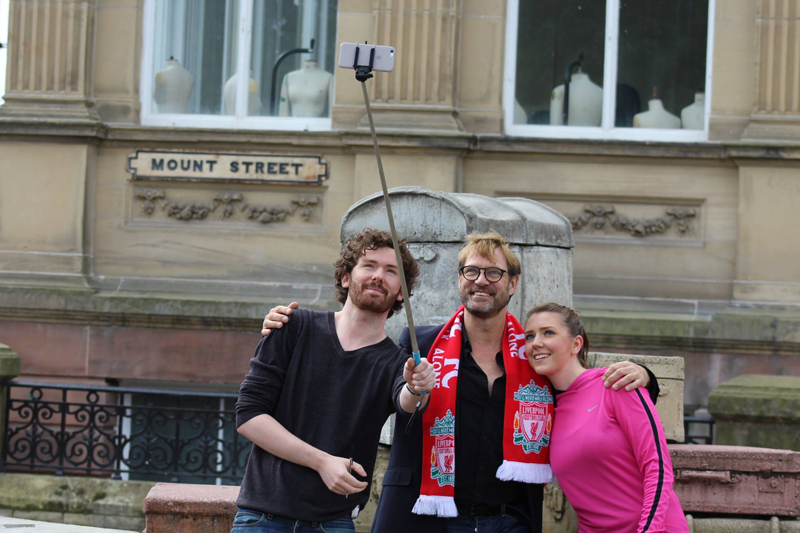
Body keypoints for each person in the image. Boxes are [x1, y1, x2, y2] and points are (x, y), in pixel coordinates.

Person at [262, 231, 659, 532]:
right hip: (427, 516)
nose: (481, 281)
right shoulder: (419, 343)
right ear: (460, 279)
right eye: (472, 271)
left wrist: (645, 377)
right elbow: (394, 393)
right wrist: (286, 324)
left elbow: (583, 389)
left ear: (512, 284)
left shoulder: (533, 357)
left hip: (509, 519)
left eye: (494, 273)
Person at [233, 228, 436, 533]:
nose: (378, 276)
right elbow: (248, 416)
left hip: (333, 523)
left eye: (391, 271)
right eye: (369, 265)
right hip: (262, 517)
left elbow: (408, 401)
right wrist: (321, 462)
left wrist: (418, 386)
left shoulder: (397, 362)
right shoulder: (292, 326)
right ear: (345, 278)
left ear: (401, 293)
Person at [524, 303, 687, 532]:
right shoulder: (542, 410)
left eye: (548, 332)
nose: (536, 343)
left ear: (576, 344)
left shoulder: (616, 384)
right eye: (529, 336)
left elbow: (657, 467)